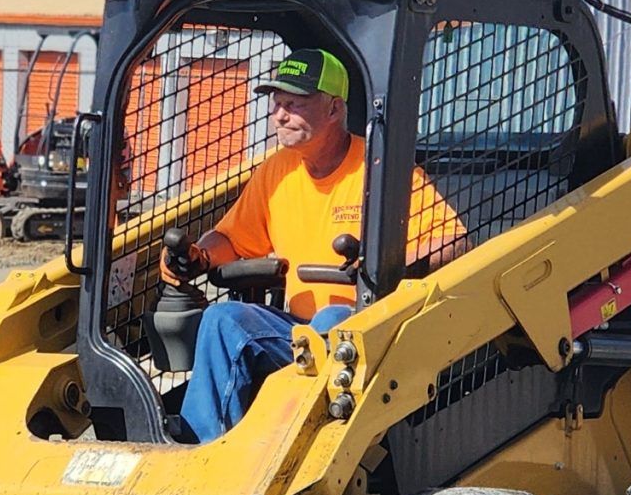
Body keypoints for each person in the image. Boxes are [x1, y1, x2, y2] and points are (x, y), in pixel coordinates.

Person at [167, 47, 467, 442]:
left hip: (367, 330)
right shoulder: (277, 170)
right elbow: (232, 239)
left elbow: (455, 242)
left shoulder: (381, 169)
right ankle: (206, 449)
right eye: (277, 103)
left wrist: (382, 260)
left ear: (333, 109)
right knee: (223, 320)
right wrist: (200, 256)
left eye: (293, 103)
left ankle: (306, 448)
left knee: (330, 322)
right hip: (295, 331)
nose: (279, 114)